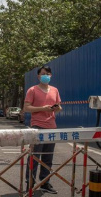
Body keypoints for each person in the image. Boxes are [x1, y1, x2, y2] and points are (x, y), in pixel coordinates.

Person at [24, 65, 61, 194]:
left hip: (52, 126)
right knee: (34, 156)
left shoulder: (55, 90)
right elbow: (26, 108)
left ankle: (45, 182)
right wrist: (43, 108)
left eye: (48, 74)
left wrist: (57, 108)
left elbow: (59, 106)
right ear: (38, 76)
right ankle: (30, 182)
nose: (46, 76)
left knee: (48, 157)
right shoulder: (32, 90)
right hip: (37, 127)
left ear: (51, 75)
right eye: (43, 73)